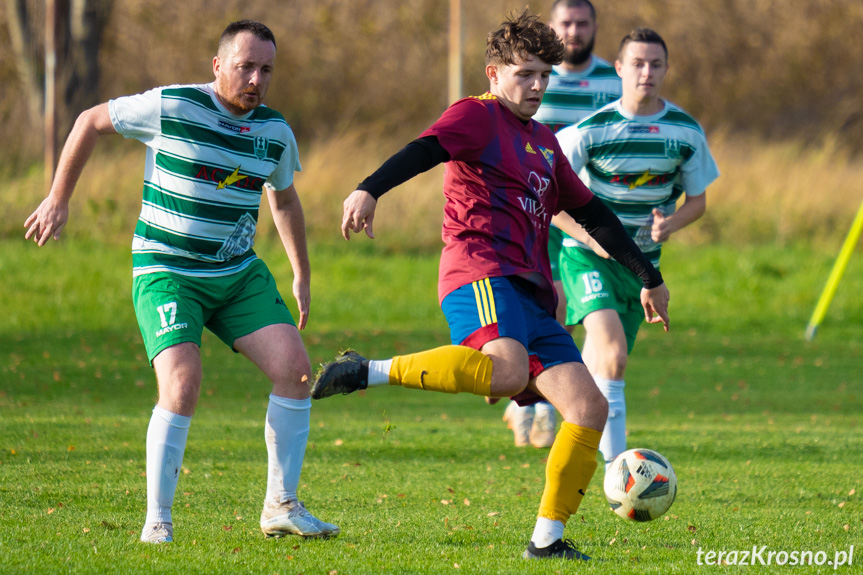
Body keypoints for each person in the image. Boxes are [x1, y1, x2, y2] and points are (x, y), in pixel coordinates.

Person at [311, 11, 669, 561]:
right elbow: (423, 149)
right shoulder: (475, 117)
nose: (536, 86)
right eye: (524, 74)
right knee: (503, 374)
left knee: (589, 409)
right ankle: (366, 371)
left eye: (544, 75)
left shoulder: (546, 144)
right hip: (478, 270)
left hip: (533, 291)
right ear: (494, 73)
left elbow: (595, 215)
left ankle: (547, 541)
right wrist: (368, 189)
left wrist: (649, 276)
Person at [24, 20, 339, 544]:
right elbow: (88, 120)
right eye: (246, 67)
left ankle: (281, 506)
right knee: (182, 383)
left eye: (266, 70)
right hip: (167, 271)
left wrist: (301, 272)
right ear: (218, 65)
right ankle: (157, 522)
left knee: (296, 371)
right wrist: (59, 197)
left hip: (237, 275)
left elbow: (282, 199)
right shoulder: (171, 106)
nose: (257, 79)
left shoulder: (275, 132)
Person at [554, 28, 719, 467]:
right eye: (638, 64)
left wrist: (672, 225)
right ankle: (618, 474)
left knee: (609, 368)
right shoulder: (589, 131)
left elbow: (698, 201)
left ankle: (568, 426)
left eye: (656, 64)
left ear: (666, 70)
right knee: (612, 354)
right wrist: (588, 236)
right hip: (586, 257)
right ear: (620, 69)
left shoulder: (684, 131)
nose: (647, 72)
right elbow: (551, 201)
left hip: (642, 268)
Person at [498, 0, 624, 450]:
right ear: (552, 28)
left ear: (594, 27)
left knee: (562, 309)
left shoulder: (614, 80)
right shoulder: (532, 76)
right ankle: (530, 404)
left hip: (579, 214)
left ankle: (539, 403)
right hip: (529, 216)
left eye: (582, 23)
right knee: (541, 309)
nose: (573, 31)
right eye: (565, 23)